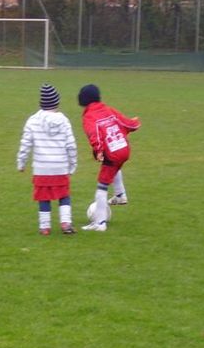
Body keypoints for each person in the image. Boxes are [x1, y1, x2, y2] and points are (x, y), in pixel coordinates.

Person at [78, 84, 141, 231]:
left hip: (112, 153)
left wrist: (98, 150)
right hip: (124, 148)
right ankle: (120, 195)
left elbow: (94, 134)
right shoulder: (108, 109)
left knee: (101, 187)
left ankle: (99, 223)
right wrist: (134, 123)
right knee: (115, 167)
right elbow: (124, 122)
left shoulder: (89, 116)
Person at [17, 83, 78, 235]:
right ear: (57, 102)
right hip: (60, 167)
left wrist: (21, 162)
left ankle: (44, 227)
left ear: (41, 103)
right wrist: (73, 164)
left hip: (41, 168)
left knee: (43, 197)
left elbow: (25, 144)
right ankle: (66, 223)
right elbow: (71, 145)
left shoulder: (32, 121)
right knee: (64, 195)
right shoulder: (64, 121)